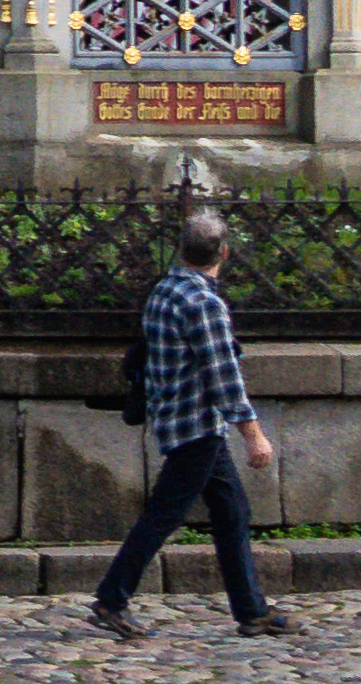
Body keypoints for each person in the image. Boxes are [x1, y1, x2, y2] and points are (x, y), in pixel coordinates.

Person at [101, 209, 288, 634]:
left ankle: (252, 610)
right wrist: (254, 436)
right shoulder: (204, 303)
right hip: (197, 425)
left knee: (232, 511)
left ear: (181, 248)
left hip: (175, 417)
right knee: (164, 516)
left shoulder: (164, 290)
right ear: (224, 252)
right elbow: (224, 375)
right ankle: (112, 598)